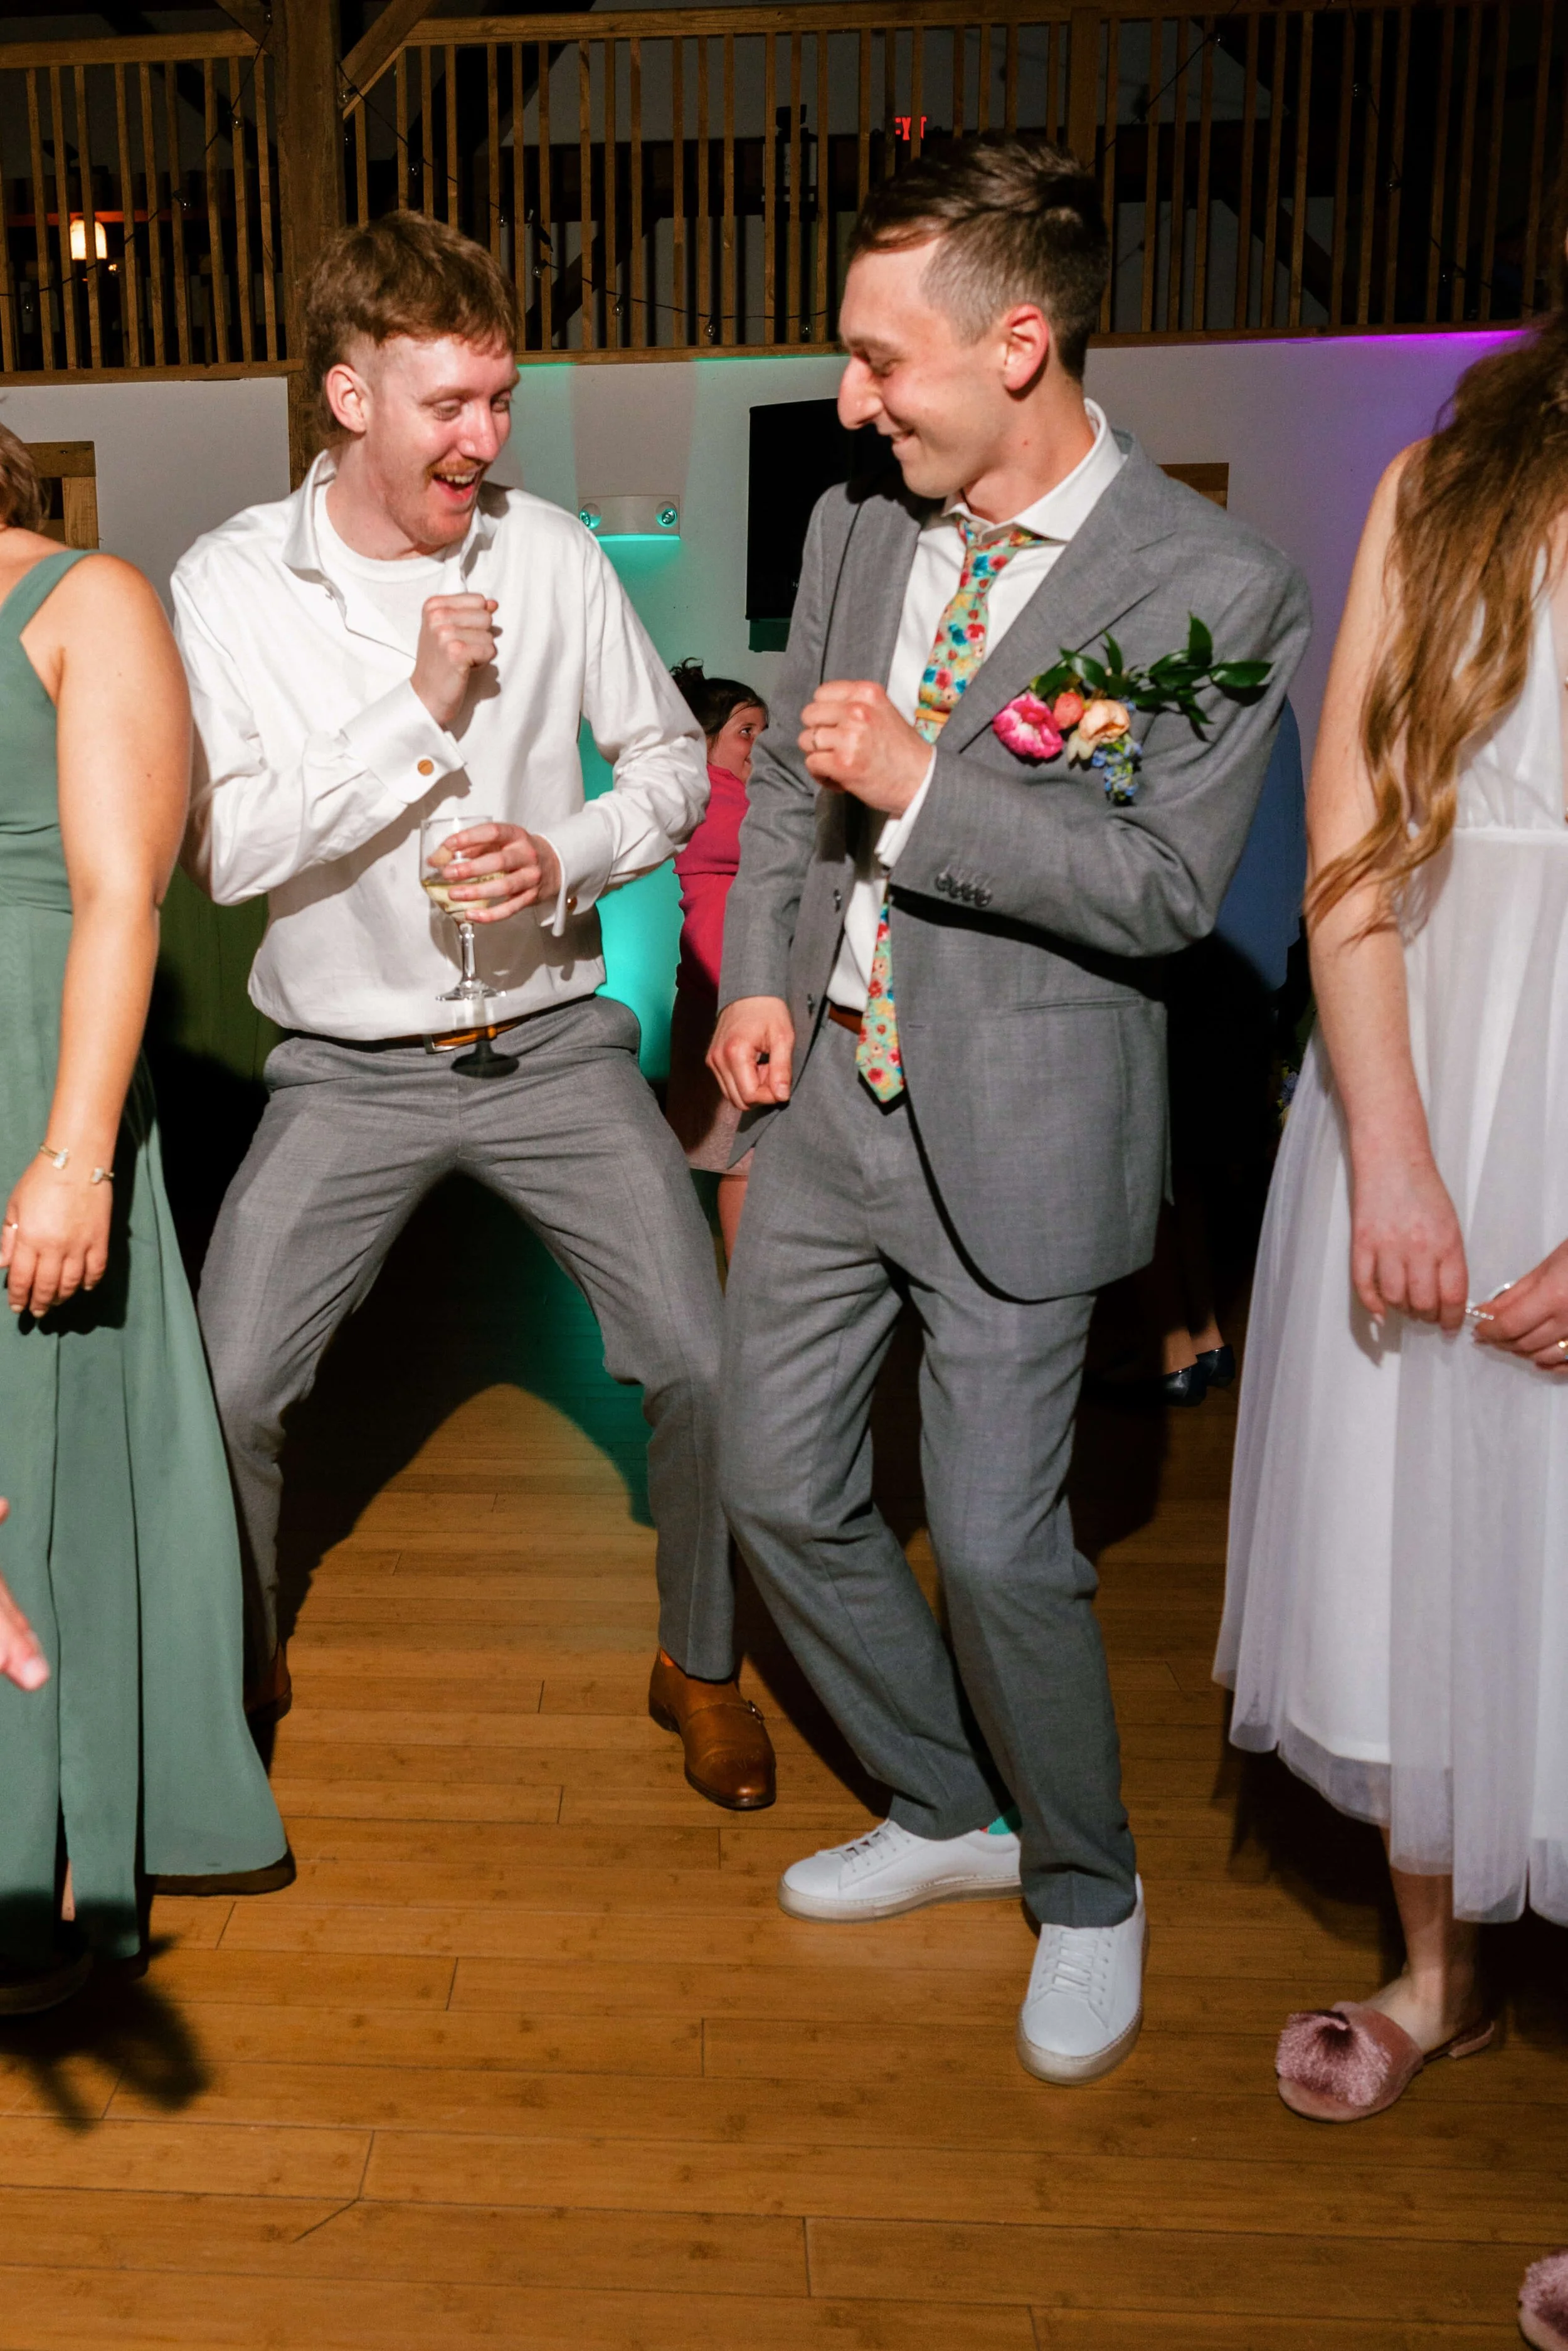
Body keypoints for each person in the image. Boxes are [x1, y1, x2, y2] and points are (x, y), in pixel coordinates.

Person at [710, 137, 1308, 2082]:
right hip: (828, 1114)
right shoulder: (860, 530)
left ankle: (1083, 1882)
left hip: (1026, 1126)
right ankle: (945, 1802)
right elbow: (797, 801)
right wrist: (752, 990)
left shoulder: (1204, 584)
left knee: (990, 1543)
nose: (847, 398)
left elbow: (1150, 887)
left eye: (881, 361)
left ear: (1020, 343)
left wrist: (920, 786)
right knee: (775, 1488)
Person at [175, 211, 775, 1813]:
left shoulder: (555, 553)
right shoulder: (233, 582)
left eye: (500, 399)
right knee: (228, 1389)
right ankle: (244, 1653)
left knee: (702, 1365)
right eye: (449, 404)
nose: (485, 438)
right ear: (349, 395)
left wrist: (568, 849)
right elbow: (231, 847)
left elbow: (664, 762)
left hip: (556, 1048)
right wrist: (422, 713)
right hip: (342, 1072)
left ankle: (698, 1660)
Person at [1218, 304, 1568, 2120]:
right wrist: (1391, 1148)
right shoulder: (1436, 487)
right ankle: (1439, 1974)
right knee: (1416, 1531)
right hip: (1422, 1053)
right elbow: (1350, 816)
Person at [0, 428, 288, 2015]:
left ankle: (48, 1855)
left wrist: (75, 1157)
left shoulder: (84, 593)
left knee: (38, 1461)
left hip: (37, 1074)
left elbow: (126, 892)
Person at [664, 661, 768, 1258]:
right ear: (705, 738)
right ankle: (749, 1296)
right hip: (724, 994)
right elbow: (764, 838)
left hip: (754, 990)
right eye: (745, 731)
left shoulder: (745, 793)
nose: (759, 744)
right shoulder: (701, 793)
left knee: (756, 1159)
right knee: (743, 1161)